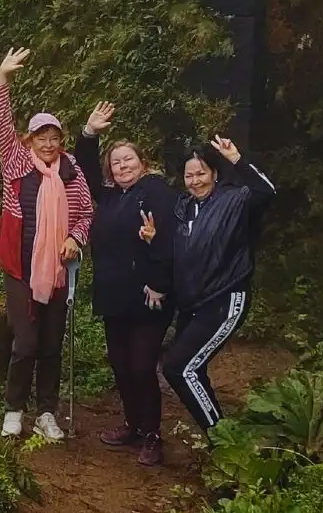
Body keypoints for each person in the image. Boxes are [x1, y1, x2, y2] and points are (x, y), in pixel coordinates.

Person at [0, 47, 93, 442]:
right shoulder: (17, 163)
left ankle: (47, 412)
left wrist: (74, 237)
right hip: (20, 267)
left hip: (58, 270)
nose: (48, 144)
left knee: (51, 344)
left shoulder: (72, 173)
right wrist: (3, 80)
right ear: (29, 139)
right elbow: (2, 127)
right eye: (41, 137)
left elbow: (86, 213)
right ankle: (14, 408)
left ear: (61, 141)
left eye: (54, 138)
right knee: (26, 342)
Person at [74, 100, 176, 467]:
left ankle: (152, 435)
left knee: (141, 365)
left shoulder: (156, 191)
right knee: (119, 363)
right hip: (114, 296)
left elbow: (169, 240)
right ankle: (132, 424)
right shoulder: (112, 196)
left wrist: (160, 283)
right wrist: (88, 134)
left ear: (142, 162)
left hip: (148, 296)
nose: (122, 166)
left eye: (128, 160)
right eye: (116, 162)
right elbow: (84, 174)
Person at [157, 135, 275, 433]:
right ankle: (220, 436)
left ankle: (221, 439)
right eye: (189, 175)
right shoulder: (182, 208)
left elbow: (266, 191)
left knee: (179, 368)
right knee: (191, 368)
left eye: (201, 173)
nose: (195, 181)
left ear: (214, 173)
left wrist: (237, 158)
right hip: (191, 304)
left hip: (224, 297)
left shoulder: (233, 200)